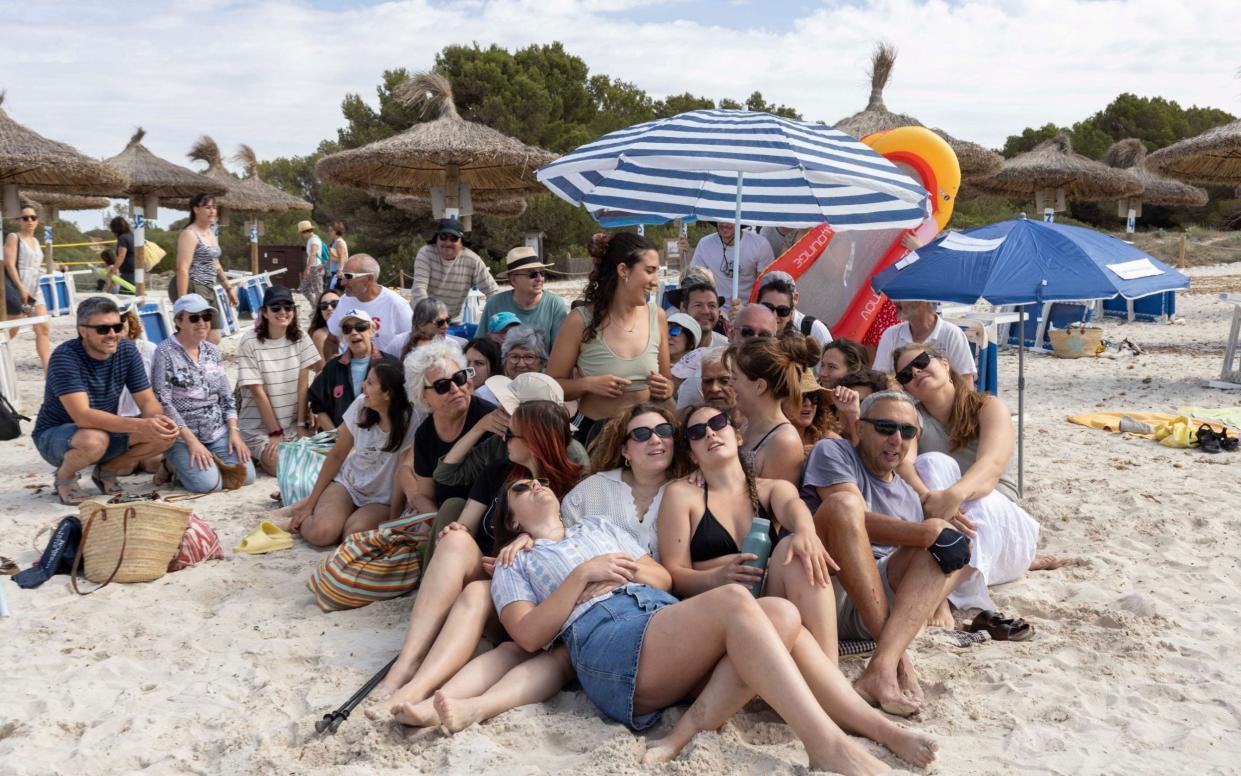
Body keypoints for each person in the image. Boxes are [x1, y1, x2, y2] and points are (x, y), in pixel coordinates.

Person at [487, 479, 916, 774]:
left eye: (541, 480)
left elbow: (661, 577)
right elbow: (527, 634)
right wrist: (582, 574)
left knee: (782, 615)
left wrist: (618, 572)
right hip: (610, 647)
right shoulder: (516, 561)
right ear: (511, 521)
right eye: (522, 487)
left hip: (659, 619)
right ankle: (826, 745)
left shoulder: (597, 527)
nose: (538, 484)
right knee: (736, 601)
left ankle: (878, 728)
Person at [370, 395, 583, 719]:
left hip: (539, 597)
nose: (504, 438)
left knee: (477, 591)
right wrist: (454, 529)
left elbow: (578, 542)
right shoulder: (498, 471)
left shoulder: (575, 483)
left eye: (512, 434)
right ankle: (406, 666)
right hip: (495, 574)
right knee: (456, 541)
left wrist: (531, 537)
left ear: (536, 441)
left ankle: (418, 684)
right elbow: (467, 524)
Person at [801, 390, 972, 716]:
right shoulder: (833, 451)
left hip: (879, 604)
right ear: (860, 428)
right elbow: (850, 519)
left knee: (949, 542)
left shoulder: (908, 490)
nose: (896, 439)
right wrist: (926, 531)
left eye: (907, 431)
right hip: (826, 588)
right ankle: (898, 661)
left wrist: (934, 594)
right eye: (885, 428)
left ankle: (881, 666)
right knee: (845, 505)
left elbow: (949, 556)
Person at [891, 343, 1043, 613]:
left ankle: (938, 599)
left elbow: (991, 465)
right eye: (905, 375)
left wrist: (953, 496)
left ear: (945, 364)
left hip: (1000, 520)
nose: (915, 373)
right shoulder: (915, 418)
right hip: (944, 521)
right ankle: (941, 589)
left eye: (922, 362)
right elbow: (904, 463)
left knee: (979, 507)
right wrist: (932, 500)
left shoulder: (987, 406)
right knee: (933, 463)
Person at [32, 297, 179, 504]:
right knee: (94, 440)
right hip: (57, 435)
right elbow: (83, 416)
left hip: (103, 430)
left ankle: (107, 471)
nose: (112, 334)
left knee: (165, 433)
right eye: (103, 329)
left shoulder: (127, 350)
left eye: (117, 327)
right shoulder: (65, 357)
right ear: (83, 331)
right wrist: (141, 424)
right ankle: (64, 477)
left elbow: (147, 401)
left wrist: (155, 422)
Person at [548, 232, 673, 444]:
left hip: (648, 435)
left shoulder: (657, 315)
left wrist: (667, 388)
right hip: (594, 434)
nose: (655, 282)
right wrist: (587, 384)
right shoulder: (579, 321)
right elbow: (550, 386)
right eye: (650, 271)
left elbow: (668, 380)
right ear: (623, 270)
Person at [276, 360, 415, 546]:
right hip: (349, 484)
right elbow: (337, 455)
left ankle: (319, 510)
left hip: (382, 498)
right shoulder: (361, 405)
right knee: (322, 533)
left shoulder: (411, 420)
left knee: (352, 536)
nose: (362, 385)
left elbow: (401, 473)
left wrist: (394, 519)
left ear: (388, 393)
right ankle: (302, 513)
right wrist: (309, 507)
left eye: (370, 383)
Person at [149, 294, 255, 492]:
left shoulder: (212, 351)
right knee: (210, 486)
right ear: (179, 321)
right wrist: (191, 442)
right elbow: (163, 402)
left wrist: (234, 431)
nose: (202, 323)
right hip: (183, 434)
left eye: (206, 317)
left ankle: (202, 464)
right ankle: (171, 464)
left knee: (247, 477)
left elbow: (225, 395)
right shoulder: (164, 353)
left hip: (216, 430)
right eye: (194, 318)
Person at [563, 403, 683, 556]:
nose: (655, 439)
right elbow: (561, 545)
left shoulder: (691, 488)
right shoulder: (589, 491)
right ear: (625, 450)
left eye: (663, 430)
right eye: (640, 434)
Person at [400, 342, 496, 515]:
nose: (455, 389)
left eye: (459, 378)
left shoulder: (491, 420)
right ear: (423, 395)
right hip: (443, 518)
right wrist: (439, 524)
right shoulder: (425, 433)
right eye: (442, 385)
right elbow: (424, 496)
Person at [236, 286, 322, 477]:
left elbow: (302, 386)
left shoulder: (300, 337)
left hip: (291, 425)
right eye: (275, 308)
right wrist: (275, 433)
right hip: (259, 428)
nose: (283, 312)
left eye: (288, 306)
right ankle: (260, 456)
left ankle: (264, 458)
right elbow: (258, 393)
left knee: (321, 459)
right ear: (265, 312)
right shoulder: (249, 342)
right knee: (281, 467)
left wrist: (300, 425)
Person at [727, 336, 812, 485]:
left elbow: (769, 505)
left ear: (759, 386)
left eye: (734, 377)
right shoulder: (744, 425)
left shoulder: (785, 442)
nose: (729, 384)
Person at [676, 303, 778, 410]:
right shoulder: (705, 375)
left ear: (774, 341)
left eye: (764, 336)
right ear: (731, 334)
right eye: (747, 332)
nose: (754, 340)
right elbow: (683, 420)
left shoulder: (782, 377)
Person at [309, 309, 394, 431]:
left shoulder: (389, 365)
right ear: (344, 336)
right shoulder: (332, 367)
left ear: (372, 330)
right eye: (347, 329)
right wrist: (337, 437)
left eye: (360, 327)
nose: (354, 332)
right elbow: (318, 405)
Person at [173, 193, 236, 346]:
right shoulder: (190, 234)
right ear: (195, 209)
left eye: (214, 207)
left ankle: (204, 366)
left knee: (214, 334)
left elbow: (216, 264)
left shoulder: (211, 233)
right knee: (200, 335)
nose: (212, 211)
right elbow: (182, 268)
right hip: (195, 287)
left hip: (209, 288)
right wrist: (182, 303)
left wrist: (228, 288)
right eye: (207, 207)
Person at [409, 217, 499, 323]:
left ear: (461, 242)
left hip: (452, 321)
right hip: (423, 319)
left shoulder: (473, 260)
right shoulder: (426, 253)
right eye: (443, 237)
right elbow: (419, 289)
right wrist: (432, 317)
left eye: (454, 238)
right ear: (436, 239)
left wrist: (492, 318)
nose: (447, 243)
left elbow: (492, 292)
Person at [324, 254, 411, 356]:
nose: (343, 282)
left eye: (348, 276)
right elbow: (331, 340)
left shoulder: (397, 304)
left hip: (385, 369)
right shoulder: (345, 301)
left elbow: (415, 340)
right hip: (352, 369)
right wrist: (332, 368)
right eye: (342, 276)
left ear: (369, 279)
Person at [113, 304, 163, 476]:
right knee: (124, 469)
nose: (116, 327)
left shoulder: (148, 348)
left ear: (129, 320)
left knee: (153, 464)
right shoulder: (100, 353)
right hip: (117, 421)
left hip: (145, 417)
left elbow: (160, 387)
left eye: (121, 320)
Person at [482, 246, 569, 345]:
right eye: (532, 274)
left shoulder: (554, 304)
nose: (540, 278)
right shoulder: (494, 303)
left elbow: (560, 350)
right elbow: (480, 345)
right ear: (514, 280)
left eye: (542, 272)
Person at [3, 204, 52, 371]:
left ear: (37, 221)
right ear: (19, 221)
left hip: (35, 288)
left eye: (33, 217)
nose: (29, 221)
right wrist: (21, 288)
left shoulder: (37, 241)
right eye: (25, 218)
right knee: (10, 331)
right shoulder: (13, 237)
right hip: (18, 285)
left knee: (43, 327)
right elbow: (9, 264)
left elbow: (37, 265)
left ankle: (48, 369)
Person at [872, 301, 975, 378]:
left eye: (902, 296)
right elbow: (879, 379)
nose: (895, 302)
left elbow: (965, 382)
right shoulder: (890, 334)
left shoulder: (952, 333)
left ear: (921, 301)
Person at [689, 221, 774, 311]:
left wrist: (748, 310)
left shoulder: (760, 244)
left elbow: (765, 286)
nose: (725, 224)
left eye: (730, 220)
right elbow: (695, 277)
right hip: (715, 308)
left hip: (750, 308)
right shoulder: (704, 244)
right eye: (721, 219)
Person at [757, 271, 831, 348]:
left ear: (794, 299)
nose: (774, 316)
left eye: (782, 310)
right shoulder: (749, 329)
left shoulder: (814, 330)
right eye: (767, 308)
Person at [389, 297, 468, 361]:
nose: (446, 326)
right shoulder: (398, 343)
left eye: (448, 320)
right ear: (421, 323)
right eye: (440, 322)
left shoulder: (453, 345)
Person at [786, 363, 839, 454]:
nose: (808, 403)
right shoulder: (763, 438)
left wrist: (852, 414)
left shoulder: (828, 440)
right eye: (801, 397)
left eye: (813, 397)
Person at [669, 269, 724, 348]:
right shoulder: (668, 349)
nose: (706, 311)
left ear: (719, 312)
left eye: (712, 305)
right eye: (698, 305)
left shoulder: (726, 351)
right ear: (683, 309)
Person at [307, 287, 341, 364]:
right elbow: (322, 371)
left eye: (334, 304)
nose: (329, 308)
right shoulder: (320, 335)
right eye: (324, 306)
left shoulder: (353, 329)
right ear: (320, 311)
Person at [297, 219, 326, 305]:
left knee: (318, 291)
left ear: (304, 231)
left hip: (315, 268)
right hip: (314, 268)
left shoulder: (314, 240)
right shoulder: (313, 239)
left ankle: (319, 310)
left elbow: (313, 254)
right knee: (304, 288)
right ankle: (315, 307)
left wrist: (307, 268)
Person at [108, 216, 136, 291]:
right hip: (136, 269)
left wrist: (113, 271)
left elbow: (121, 256)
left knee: (127, 296)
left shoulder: (122, 238)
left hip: (128, 272)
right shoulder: (132, 235)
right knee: (135, 293)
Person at [326, 221, 348, 289]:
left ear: (336, 231)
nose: (329, 233)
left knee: (332, 292)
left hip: (337, 272)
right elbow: (335, 258)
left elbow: (342, 257)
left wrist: (340, 270)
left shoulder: (339, 242)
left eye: (331, 231)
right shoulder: (335, 242)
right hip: (334, 272)